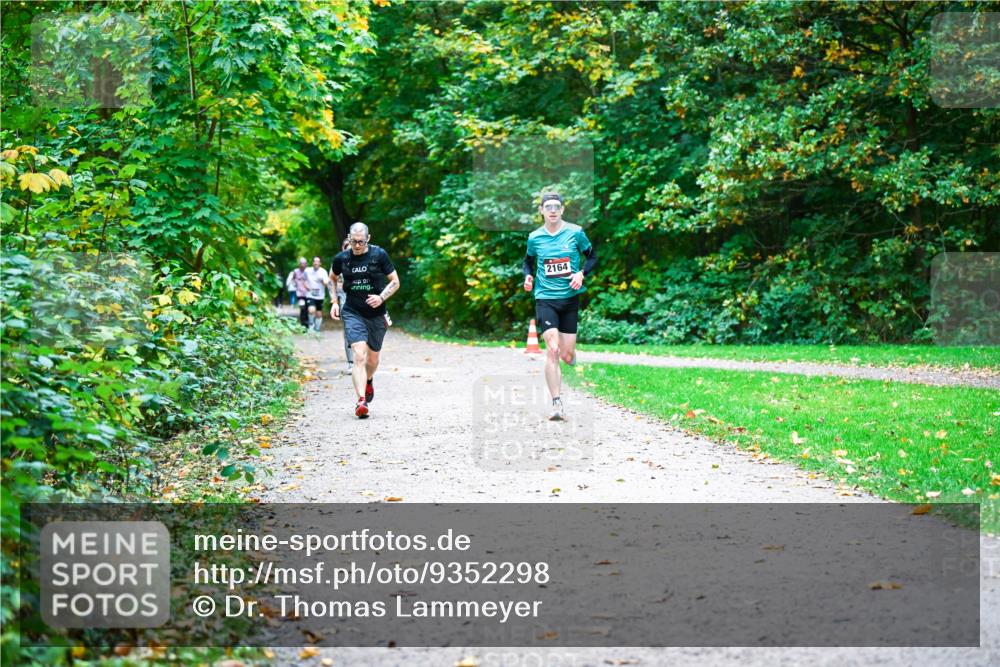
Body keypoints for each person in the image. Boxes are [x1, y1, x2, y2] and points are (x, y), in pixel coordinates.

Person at [522, 192, 597, 421]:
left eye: (557, 206)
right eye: (548, 206)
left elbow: (593, 256)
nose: (553, 210)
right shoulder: (535, 237)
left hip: (570, 299)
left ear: (562, 210)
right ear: (542, 211)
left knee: (565, 353)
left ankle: (570, 354)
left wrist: (581, 273)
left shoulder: (575, 233)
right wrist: (528, 277)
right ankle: (556, 403)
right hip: (545, 298)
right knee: (552, 350)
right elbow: (527, 261)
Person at [329, 222, 400, 418]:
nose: (357, 245)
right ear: (349, 239)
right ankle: (361, 401)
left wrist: (381, 297)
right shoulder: (341, 258)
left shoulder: (379, 255)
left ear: (368, 238)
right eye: (353, 241)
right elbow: (332, 278)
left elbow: (395, 281)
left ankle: (368, 380)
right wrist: (334, 302)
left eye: (360, 241)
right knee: (359, 354)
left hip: (376, 314)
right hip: (353, 312)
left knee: (373, 358)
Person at [334, 237, 355, 373]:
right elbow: (332, 280)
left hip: (361, 302)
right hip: (345, 301)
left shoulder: (363, 262)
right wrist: (334, 301)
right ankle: (351, 363)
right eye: (346, 246)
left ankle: (361, 359)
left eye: (351, 246)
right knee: (348, 332)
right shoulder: (339, 263)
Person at [304, 256, 332, 338]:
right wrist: (307, 287)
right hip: (310, 294)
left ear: (320, 263)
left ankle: (317, 328)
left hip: (320, 295)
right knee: (311, 310)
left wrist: (324, 282)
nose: (316, 263)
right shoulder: (307, 271)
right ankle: (311, 326)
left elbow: (326, 282)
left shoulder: (323, 272)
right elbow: (304, 281)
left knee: (319, 314)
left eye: (318, 261)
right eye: (314, 261)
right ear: (312, 262)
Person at [291, 258, 309, 328]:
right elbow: (292, 279)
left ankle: (307, 323)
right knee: (302, 308)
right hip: (300, 293)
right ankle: (303, 323)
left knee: (308, 308)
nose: (303, 265)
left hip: (308, 293)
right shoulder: (296, 271)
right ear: (299, 264)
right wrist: (295, 284)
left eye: (304, 263)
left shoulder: (308, 271)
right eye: (301, 263)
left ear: (306, 264)